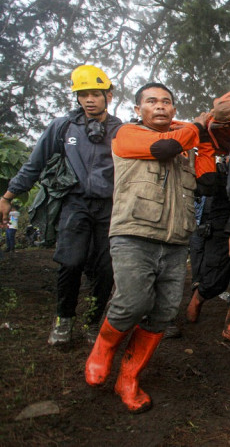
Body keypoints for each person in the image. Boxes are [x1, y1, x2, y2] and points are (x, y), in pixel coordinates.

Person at [84, 83, 215, 413]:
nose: (160, 106)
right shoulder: (127, 134)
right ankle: (102, 349)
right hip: (133, 234)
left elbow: (209, 182)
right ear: (138, 109)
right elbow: (163, 148)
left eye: (167, 102)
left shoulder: (185, 144)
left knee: (164, 312)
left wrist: (207, 141)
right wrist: (196, 126)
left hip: (175, 241)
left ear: (173, 109)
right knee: (132, 301)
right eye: (152, 101)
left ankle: (128, 377)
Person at [0, 65, 122, 345]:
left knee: (105, 269)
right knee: (70, 262)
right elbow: (35, 163)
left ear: (109, 96)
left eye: (95, 94)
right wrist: (8, 196)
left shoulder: (121, 131)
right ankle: (62, 320)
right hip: (75, 203)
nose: (88, 100)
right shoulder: (63, 126)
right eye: (82, 95)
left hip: (110, 207)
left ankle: (93, 322)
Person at [184, 159, 230, 347]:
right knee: (215, 279)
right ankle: (197, 301)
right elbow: (206, 188)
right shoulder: (222, 171)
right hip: (222, 227)